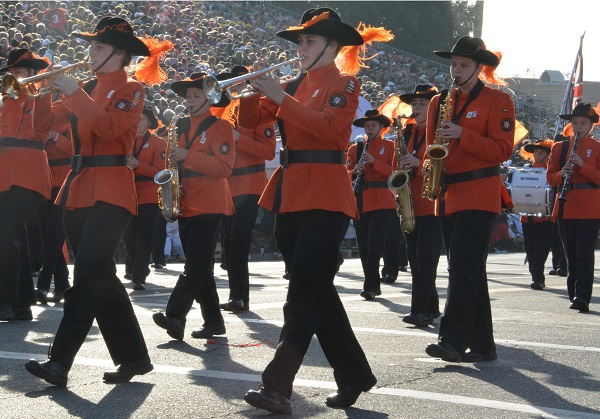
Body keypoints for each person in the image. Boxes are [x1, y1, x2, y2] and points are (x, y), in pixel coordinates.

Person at [239, 7, 391, 414]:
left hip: (326, 192)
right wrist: (254, 88)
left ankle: (278, 384)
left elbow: (326, 128)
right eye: (301, 41)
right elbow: (247, 121)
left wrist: (278, 96)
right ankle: (355, 374)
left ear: (333, 46)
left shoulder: (345, 82)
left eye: (309, 41)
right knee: (315, 289)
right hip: (289, 192)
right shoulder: (294, 83)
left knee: (303, 292)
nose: (302, 47)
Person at [25, 16, 163, 387]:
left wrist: (73, 93)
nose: (90, 52)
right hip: (80, 186)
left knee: (85, 275)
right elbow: (44, 128)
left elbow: (109, 129)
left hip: (113, 188)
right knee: (102, 276)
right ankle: (134, 357)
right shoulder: (84, 87)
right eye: (92, 46)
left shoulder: (131, 89)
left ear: (119, 55)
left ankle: (60, 361)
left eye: (98, 48)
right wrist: (38, 95)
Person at [424, 36, 514, 363]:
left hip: (480, 192)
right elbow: (429, 150)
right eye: (453, 64)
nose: (456, 71)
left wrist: (463, 134)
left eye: (463, 65)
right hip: (448, 193)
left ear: (479, 68)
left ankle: (452, 341)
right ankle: (483, 344)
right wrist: (426, 165)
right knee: (470, 270)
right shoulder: (438, 102)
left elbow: (502, 151)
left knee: (460, 265)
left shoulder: (497, 99)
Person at [152, 72, 234, 341]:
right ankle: (214, 322)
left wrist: (189, 156)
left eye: (196, 95)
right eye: (187, 96)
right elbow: (172, 164)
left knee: (196, 266)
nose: (189, 100)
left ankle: (175, 315)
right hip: (186, 201)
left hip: (211, 202)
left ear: (209, 97)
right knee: (201, 268)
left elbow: (224, 168)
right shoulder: (180, 125)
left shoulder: (220, 127)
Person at [214, 65, 276, 312]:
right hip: (226, 185)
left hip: (250, 184)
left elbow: (268, 151)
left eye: (238, 85)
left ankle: (239, 297)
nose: (233, 89)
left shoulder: (257, 111)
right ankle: (235, 294)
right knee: (228, 242)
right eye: (230, 86)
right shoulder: (220, 113)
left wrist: (239, 138)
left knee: (238, 241)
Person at [0, 48, 52, 321]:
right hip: (4, 174)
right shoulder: (5, 98)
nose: (13, 77)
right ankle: (21, 304)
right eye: (11, 73)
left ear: (33, 72)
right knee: (13, 234)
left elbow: (44, 127)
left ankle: (6, 299)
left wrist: (40, 88)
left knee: (5, 231)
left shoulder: (41, 92)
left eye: (18, 72)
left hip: (29, 172)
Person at [397, 84, 443, 327]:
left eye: (422, 104)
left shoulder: (438, 133)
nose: (416, 108)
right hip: (410, 204)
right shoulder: (407, 132)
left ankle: (419, 311)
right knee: (415, 259)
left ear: (434, 107)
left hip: (431, 203)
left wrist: (416, 162)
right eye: (414, 104)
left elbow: (440, 165)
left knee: (425, 261)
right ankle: (432, 307)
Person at [546, 103, 600, 313]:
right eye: (575, 123)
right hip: (565, 205)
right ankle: (573, 293)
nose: (578, 127)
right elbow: (551, 178)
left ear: (591, 125)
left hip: (590, 207)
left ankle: (582, 296)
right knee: (569, 254)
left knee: (583, 253)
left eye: (583, 123)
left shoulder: (597, 147)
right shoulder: (559, 148)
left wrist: (582, 165)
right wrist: (562, 173)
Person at [346, 110, 396, 300]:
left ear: (381, 128)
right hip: (361, 200)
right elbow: (346, 171)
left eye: (373, 125)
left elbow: (395, 172)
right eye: (367, 126)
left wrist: (375, 162)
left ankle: (371, 285)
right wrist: (354, 171)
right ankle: (372, 283)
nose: (370, 128)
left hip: (382, 199)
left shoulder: (390, 146)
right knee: (364, 245)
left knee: (375, 244)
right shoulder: (355, 149)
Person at [124, 103, 167, 290]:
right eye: (136, 118)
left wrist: (137, 165)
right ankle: (133, 269)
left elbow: (161, 172)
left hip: (149, 194)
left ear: (149, 121)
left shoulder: (159, 142)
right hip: (127, 193)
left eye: (142, 119)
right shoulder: (125, 139)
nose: (138, 122)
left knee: (144, 236)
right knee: (129, 237)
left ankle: (139, 275)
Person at [35, 126, 72, 304]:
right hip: (43, 178)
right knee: (47, 236)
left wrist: (56, 136)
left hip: (65, 180)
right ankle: (62, 284)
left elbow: (78, 149)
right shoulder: (41, 117)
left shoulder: (71, 114)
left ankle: (43, 283)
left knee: (54, 234)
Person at [518, 139, 554, 290]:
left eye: (541, 153)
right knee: (530, 248)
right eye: (536, 153)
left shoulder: (551, 170)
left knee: (542, 247)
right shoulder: (525, 169)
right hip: (527, 216)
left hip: (546, 216)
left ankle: (538, 277)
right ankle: (536, 276)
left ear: (548, 155)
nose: (538, 155)